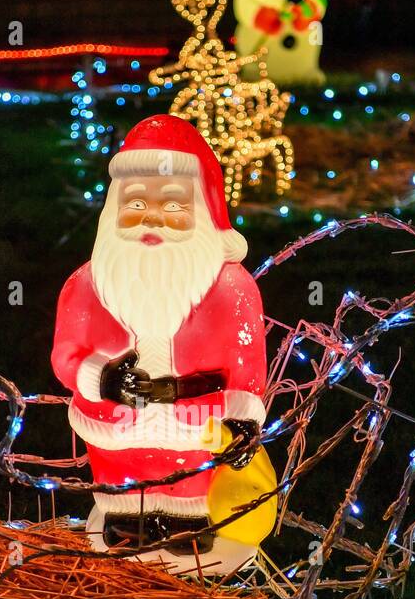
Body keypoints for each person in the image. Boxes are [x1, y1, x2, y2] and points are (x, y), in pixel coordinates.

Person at [51, 115, 269, 573]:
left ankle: (186, 522)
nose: (151, 219)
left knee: (186, 474)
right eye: (135, 204)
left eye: (172, 207)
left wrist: (243, 413)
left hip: (195, 415)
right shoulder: (88, 285)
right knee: (121, 473)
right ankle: (125, 518)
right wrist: (101, 377)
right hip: (114, 420)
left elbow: (247, 364)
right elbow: (66, 354)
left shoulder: (232, 290)